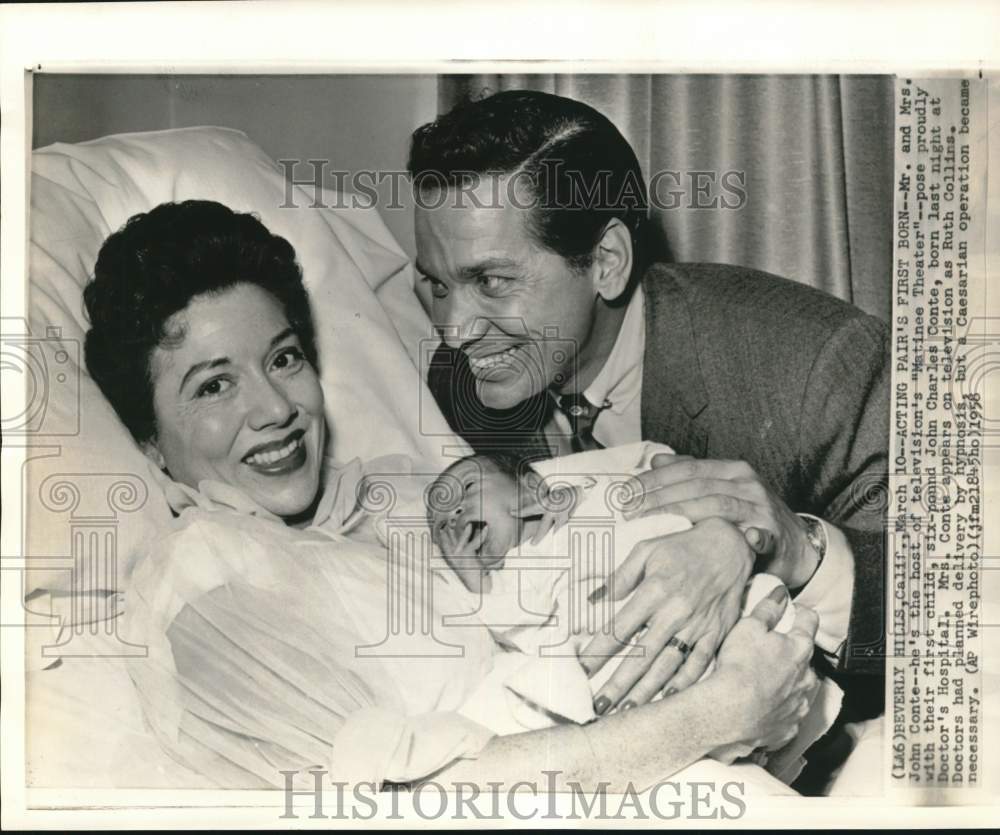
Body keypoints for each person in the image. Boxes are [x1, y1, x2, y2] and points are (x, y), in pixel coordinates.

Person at [83, 198, 820, 792]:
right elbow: (419, 799)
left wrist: (716, 541)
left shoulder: (398, 491)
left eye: (283, 359)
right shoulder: (204, 577)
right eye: (214, 385)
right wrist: (718, 714)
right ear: (149, 440)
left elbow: (577, 514)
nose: (275, 407)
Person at [409, 89, 888, 720]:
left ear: (606, 262)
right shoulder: (460, 381)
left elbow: (960, 608)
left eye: (492, 282)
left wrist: (793, 550)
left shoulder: (818, 365)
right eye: (436, 284)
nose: (453, 330)